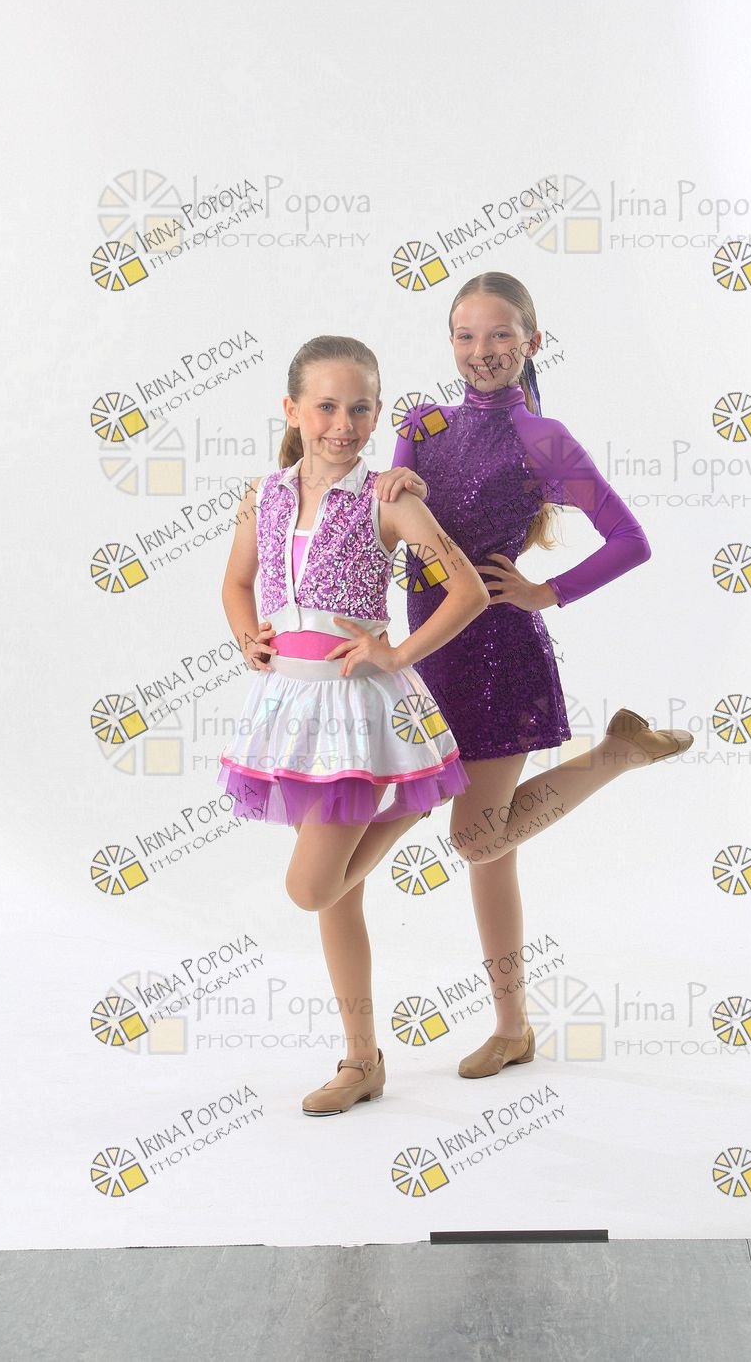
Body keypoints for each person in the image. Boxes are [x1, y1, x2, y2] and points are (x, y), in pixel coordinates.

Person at [375, 271, 693, 1080]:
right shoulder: (421, 423)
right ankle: (513, 1028)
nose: (481, 351)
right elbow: (392, 530)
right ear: (450, 341)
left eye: (499, 335)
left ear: (531, 342)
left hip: (501, 656)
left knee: (478, 839)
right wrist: (389, 486)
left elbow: (630, 539)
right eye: (466, 335)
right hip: (427, 652)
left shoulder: (544, 439)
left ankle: (613, 756)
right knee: (489, 848)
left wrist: (548, 591)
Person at [217, 335, 489, 1115]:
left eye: (360, 408)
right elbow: (237, 583)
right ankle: (361, 1061)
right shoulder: (263, 496)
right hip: (291, 712)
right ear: (292, 409)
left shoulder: (388, 498)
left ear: (377, 413)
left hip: (362, 712)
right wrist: (248, 637)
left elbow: (468, 590)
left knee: (310, 887)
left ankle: (406, 803)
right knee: (339, 898)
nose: (343, 423)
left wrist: (395, 651)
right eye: (327, 406)